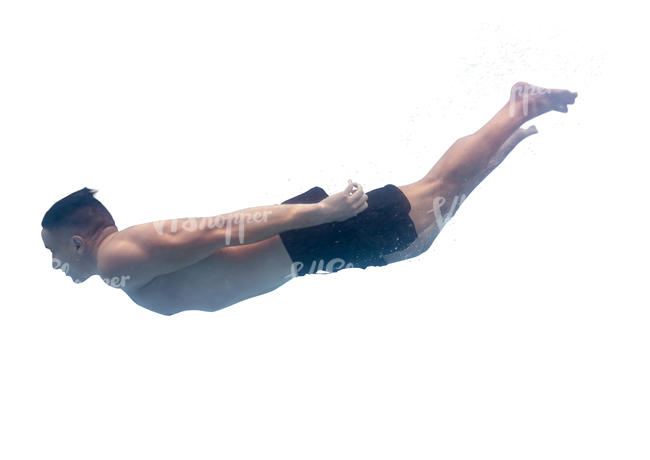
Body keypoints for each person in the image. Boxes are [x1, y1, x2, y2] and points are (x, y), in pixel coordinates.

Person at [41, 82, 577, 315]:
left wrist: (318, 213)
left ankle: (517, 109)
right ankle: (510, 128)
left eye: (54, 251)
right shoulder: (122, 272)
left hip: (308, 236)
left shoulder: (116, 256)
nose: (54, 263)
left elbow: (216, 228)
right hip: (306, 247)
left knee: (431, 200)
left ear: (79, 238)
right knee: (421, 230)